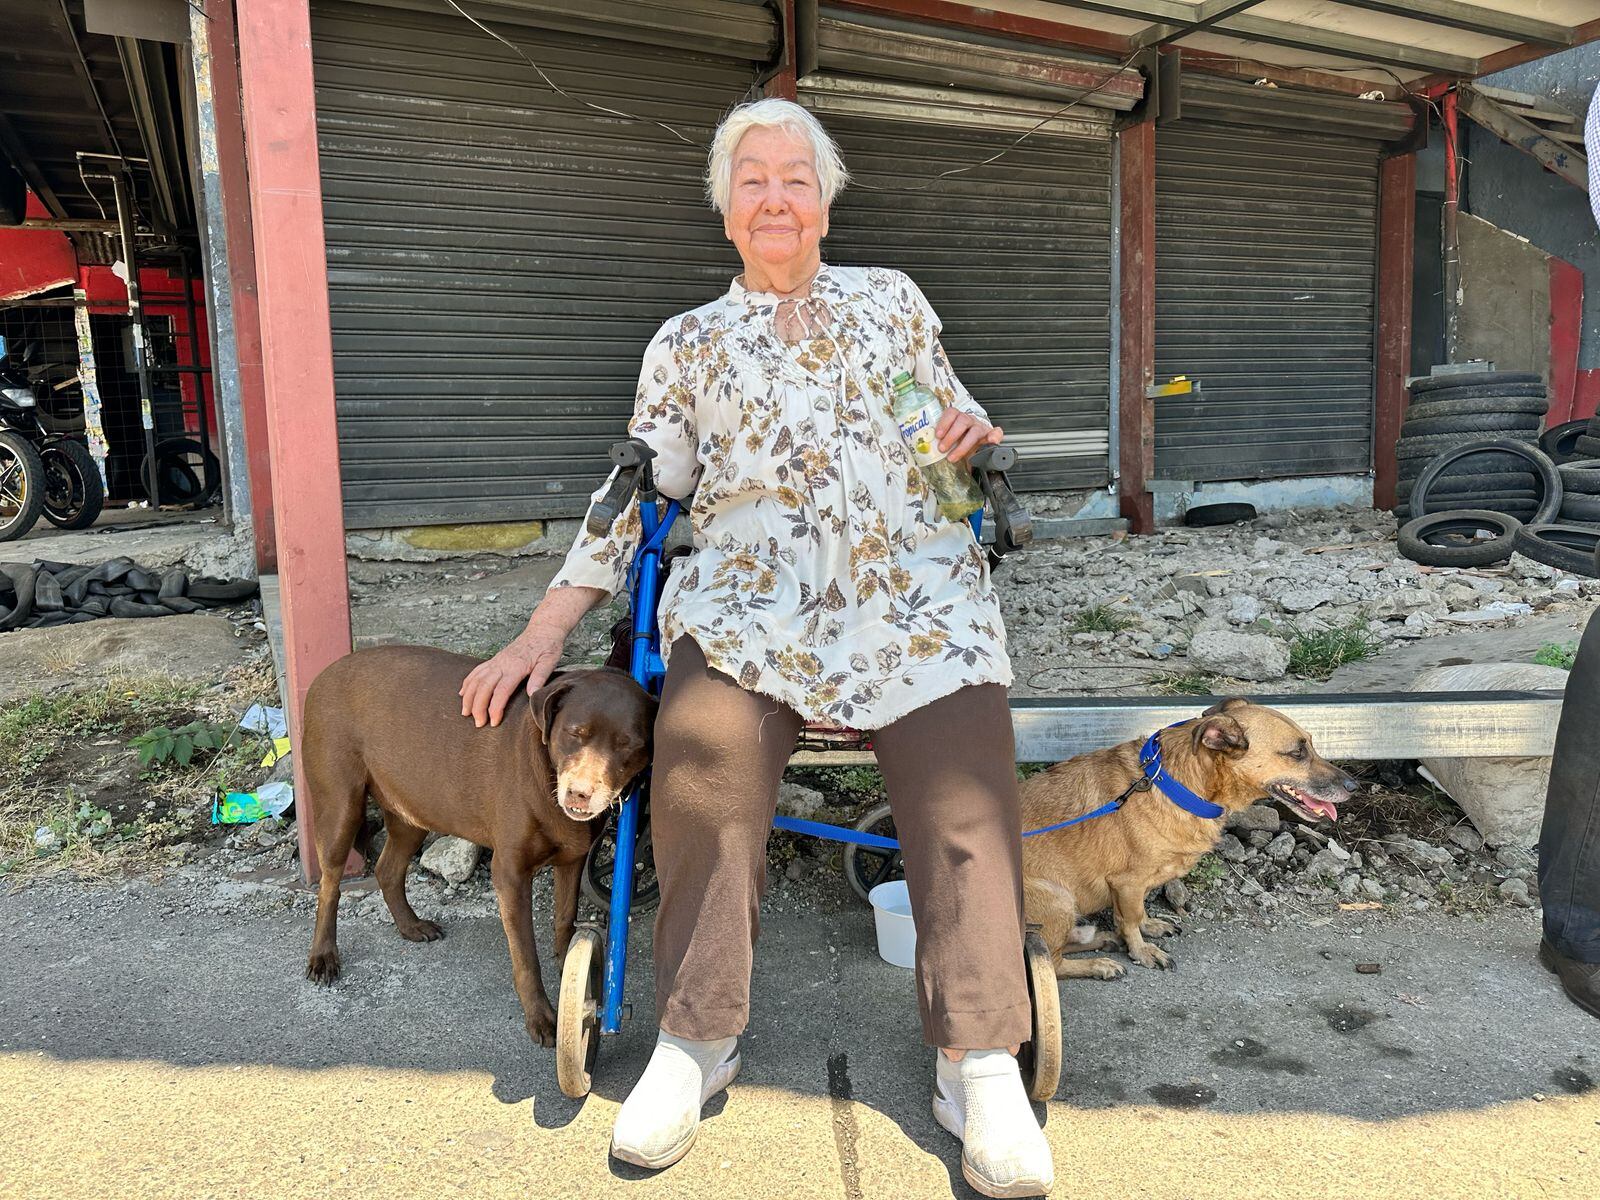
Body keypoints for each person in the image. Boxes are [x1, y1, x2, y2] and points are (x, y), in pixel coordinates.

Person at [459, 98, 1053, 1196]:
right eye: (753, 181)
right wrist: (543, 630)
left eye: (795, 178)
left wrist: (969, 450)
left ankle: (977, 1061)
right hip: (750, 605)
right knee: (702, 753)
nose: (775, 198)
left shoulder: (891, 304)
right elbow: (636, 494)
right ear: (727, 210)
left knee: (967, 778)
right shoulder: (687, 344)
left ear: (825, 201)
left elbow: (946, 458)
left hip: (908, 598)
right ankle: (697, 1039)